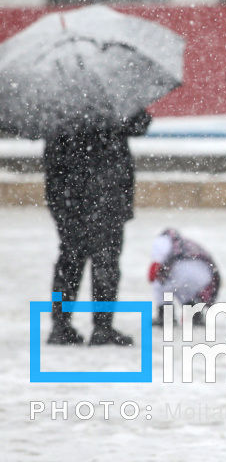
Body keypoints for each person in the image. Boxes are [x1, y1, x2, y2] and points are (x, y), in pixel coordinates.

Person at [43, 110, 152, 346]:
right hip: (106, 189)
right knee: (106, 260)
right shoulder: (109, 97)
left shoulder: (57, 99)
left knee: (70, 258)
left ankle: (61, 325)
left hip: (66, 190)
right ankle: (102, 327)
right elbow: (139, 123)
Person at [149, 228, 220, 325]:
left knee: (162, 287)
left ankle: (166, 318)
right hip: (204, 275)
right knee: (186, 291)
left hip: (181, 271)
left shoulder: (163, 240)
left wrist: (155, 276)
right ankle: (194, 316)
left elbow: (155, 266)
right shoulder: (189, 244)